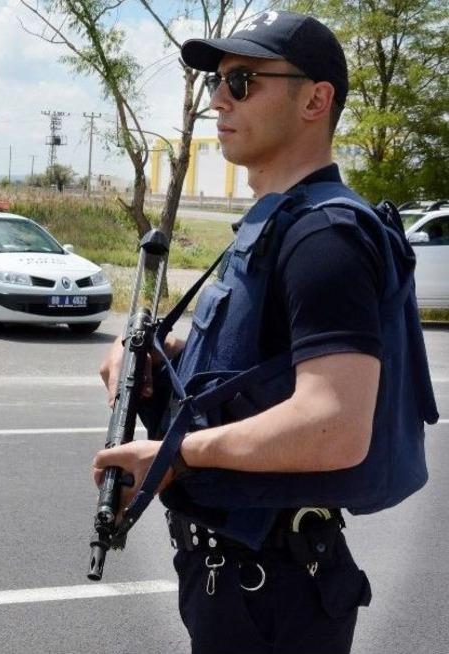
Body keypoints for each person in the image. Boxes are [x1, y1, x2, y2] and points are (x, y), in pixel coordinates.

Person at [95, 12, 437, 654]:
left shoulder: (324, 237)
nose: (219, 98)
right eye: (219, 81)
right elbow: (251, 364)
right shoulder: (279, 221)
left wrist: (174, 455)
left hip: (272, 590)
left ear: (316, 99)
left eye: (243, 80)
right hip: (242, 577)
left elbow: (333, 422)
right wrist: (150, 356)